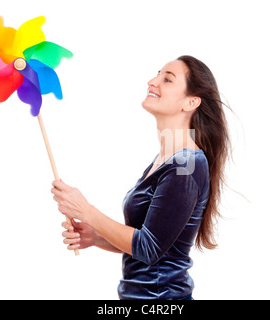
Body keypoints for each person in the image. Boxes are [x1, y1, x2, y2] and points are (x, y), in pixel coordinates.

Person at [51, 55, 231, 300]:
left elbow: (149, 248)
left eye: (167, 79)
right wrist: (98, 238)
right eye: (158, 74)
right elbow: (153, 239)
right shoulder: (167, 159)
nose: (152, 81)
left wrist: (86, 211)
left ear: (191, 102)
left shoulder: (186, 165)